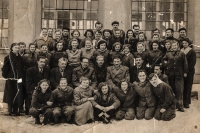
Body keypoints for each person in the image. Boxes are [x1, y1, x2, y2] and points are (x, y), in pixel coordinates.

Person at [163, 40, 188, 112]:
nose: (174, 47)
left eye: (175, 45)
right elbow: (164, 60)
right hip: (170, 75)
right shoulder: (168, 54)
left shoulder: (182, 53)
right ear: (171, 46)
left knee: (179, 90)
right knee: (172, 90)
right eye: (172, 45)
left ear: (177, 46)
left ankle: (180, 106)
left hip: (179, 75)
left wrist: (185, 72)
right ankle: (173, 106)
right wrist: (166, 64)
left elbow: (185, 63)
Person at [2, 43, 24, 116]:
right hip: (11, 78)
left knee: (18, 92)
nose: (17, 49)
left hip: (19, 78)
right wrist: (6, 76)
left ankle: (15, 110)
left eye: (18, 48)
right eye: (16, 48)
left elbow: (21, 68)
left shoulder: (20, 58)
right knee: (10, 93)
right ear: (12, 48)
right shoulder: (8, 57)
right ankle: (10, 110)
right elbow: (5, 68)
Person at [180, 38, 196, 108]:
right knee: (182, 87)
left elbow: (192, 63)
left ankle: (186, 102)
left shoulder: (192, 51)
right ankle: (182, 102)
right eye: (183, 43)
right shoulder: (181, 51)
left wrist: (186, 71)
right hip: (181, 71)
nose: (184, 44)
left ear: (188, 43)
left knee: (188, 86)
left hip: (189, 72)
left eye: (185, 43)